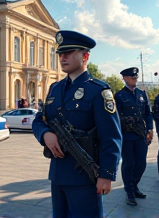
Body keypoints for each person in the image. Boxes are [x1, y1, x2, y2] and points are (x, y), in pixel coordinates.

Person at [32, 30, 122, 218]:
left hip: (85, 177)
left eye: (69, 52)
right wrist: (45, 134)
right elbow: (40, 120)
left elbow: (111, 136)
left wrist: (106, 174)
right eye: (60, 53)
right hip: (58, 175)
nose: (62, 57)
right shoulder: (55, 89)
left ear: (85, 56)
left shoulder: (98, 90)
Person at [114, 67, 153, 206]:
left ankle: (134, 185)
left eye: (136, 78)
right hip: (127, 136)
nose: (134, 80)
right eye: (132, 77)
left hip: (141, 135)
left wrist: (150, 128)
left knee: (141, 163)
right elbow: (116, 118)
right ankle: (129, 192)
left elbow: (148, 113)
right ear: (124, 78)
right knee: (128, 164)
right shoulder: (119, 96)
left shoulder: (141, 94)